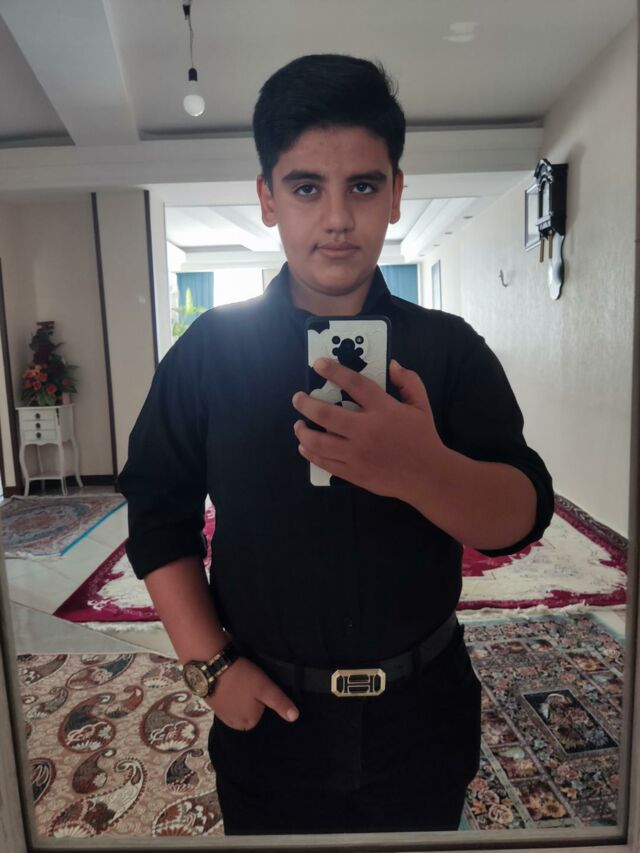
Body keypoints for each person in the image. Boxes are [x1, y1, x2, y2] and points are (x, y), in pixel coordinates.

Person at [118, 53, 554, 836]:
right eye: (305, 187)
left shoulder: (449, 349)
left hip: (423, 713)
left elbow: (522, 513)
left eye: (362, 185)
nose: (336, 219)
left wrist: (424, 470)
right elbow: (157, 512)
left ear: (396, 193)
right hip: (269, 719)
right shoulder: (210, 352)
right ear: (266, 198)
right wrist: (210, 667)